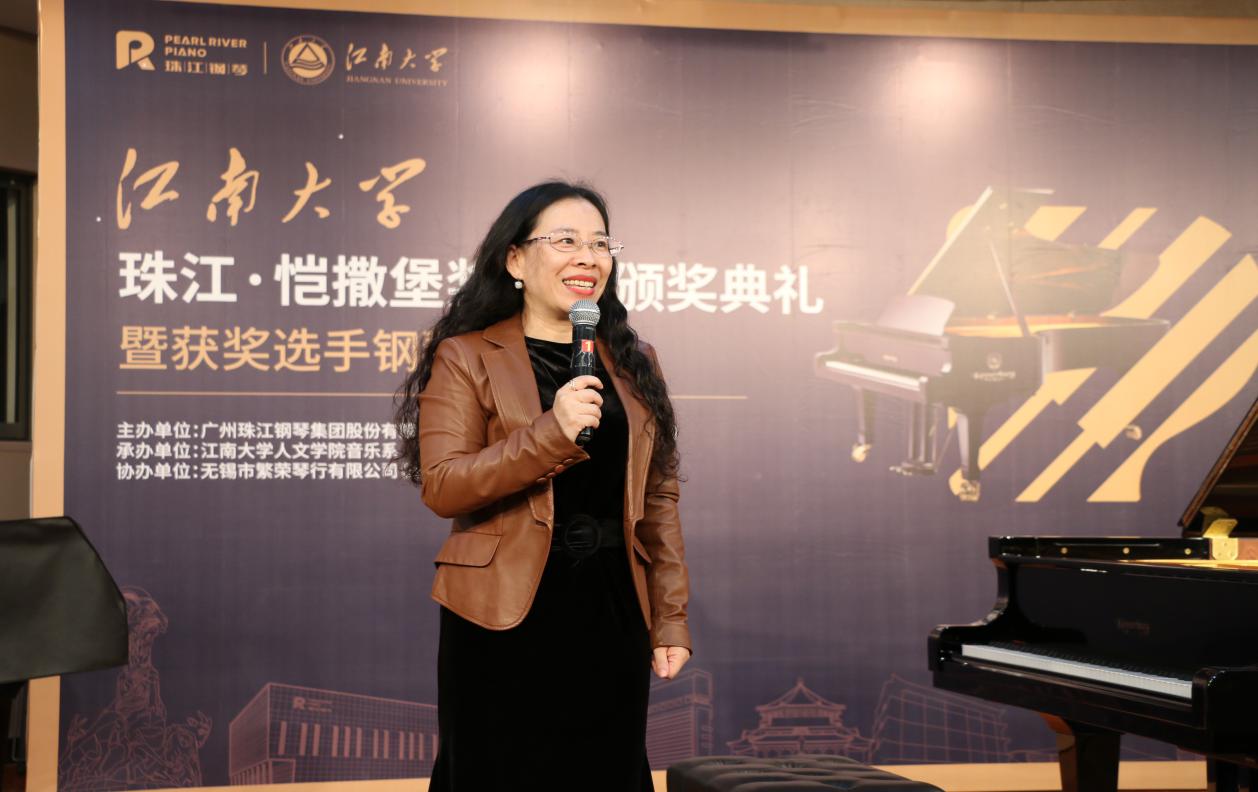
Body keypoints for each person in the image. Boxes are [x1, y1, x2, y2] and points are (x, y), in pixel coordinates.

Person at [393, 181, 691, 791]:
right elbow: (444, 486)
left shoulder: (633, 360)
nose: (588, 258)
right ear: (516, 260)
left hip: (611, 608)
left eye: (600, 244)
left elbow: (657, 498)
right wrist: (552, 433)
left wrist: (670, 618)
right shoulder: (467, 355)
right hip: (502, 614)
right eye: (566, 241)